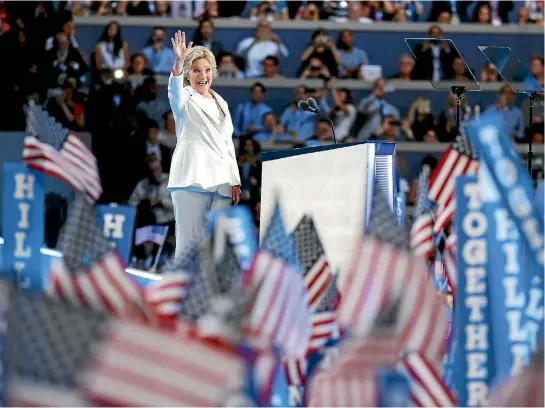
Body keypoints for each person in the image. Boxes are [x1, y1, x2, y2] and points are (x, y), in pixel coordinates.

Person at [168, 31, 241, 261]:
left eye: (207, 70)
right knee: (188, 245)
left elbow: (227, 143)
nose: (203, 75)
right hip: (192, 179)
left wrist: (235, 180)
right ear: (188, 74)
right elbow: (174, 90)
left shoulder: (222, 102)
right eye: (197, 70)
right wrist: (179, 62)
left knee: (216, 249)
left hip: (221, 183)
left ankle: (212, 295)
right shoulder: (184, 98)